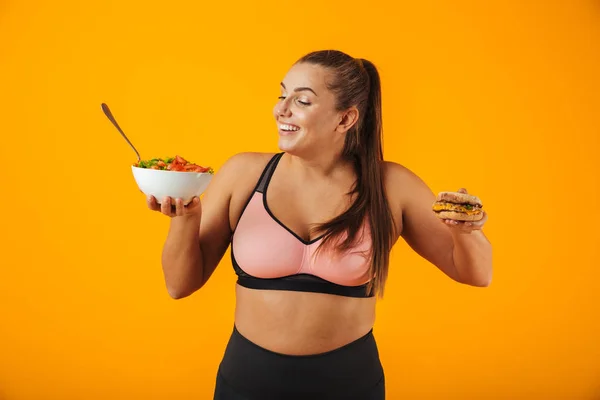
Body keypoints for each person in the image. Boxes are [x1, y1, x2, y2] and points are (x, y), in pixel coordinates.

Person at [147, 49, 493, 399]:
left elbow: (477, 274)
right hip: (247, 382)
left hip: (349, 386)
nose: (281, 109)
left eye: (302, 101)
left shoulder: (391, 185)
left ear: (345, 119)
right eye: (282, 95)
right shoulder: (242, 174)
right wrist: (186, 219)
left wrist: (467, 232)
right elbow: (179, 285)